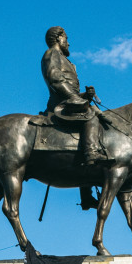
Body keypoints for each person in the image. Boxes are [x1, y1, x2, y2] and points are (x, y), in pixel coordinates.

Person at [41, 25, 104, 189]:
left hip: (69, 101)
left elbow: (68, 86)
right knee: (90, 116)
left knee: (101, 116)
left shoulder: (67, 61)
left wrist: (85, 95)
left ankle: (86, 192)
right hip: (60, 105)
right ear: (58, 38)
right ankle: (91, 153)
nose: (69, 43)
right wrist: (74, 97)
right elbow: (55, 79)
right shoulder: (52, 54)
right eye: (67, 39)